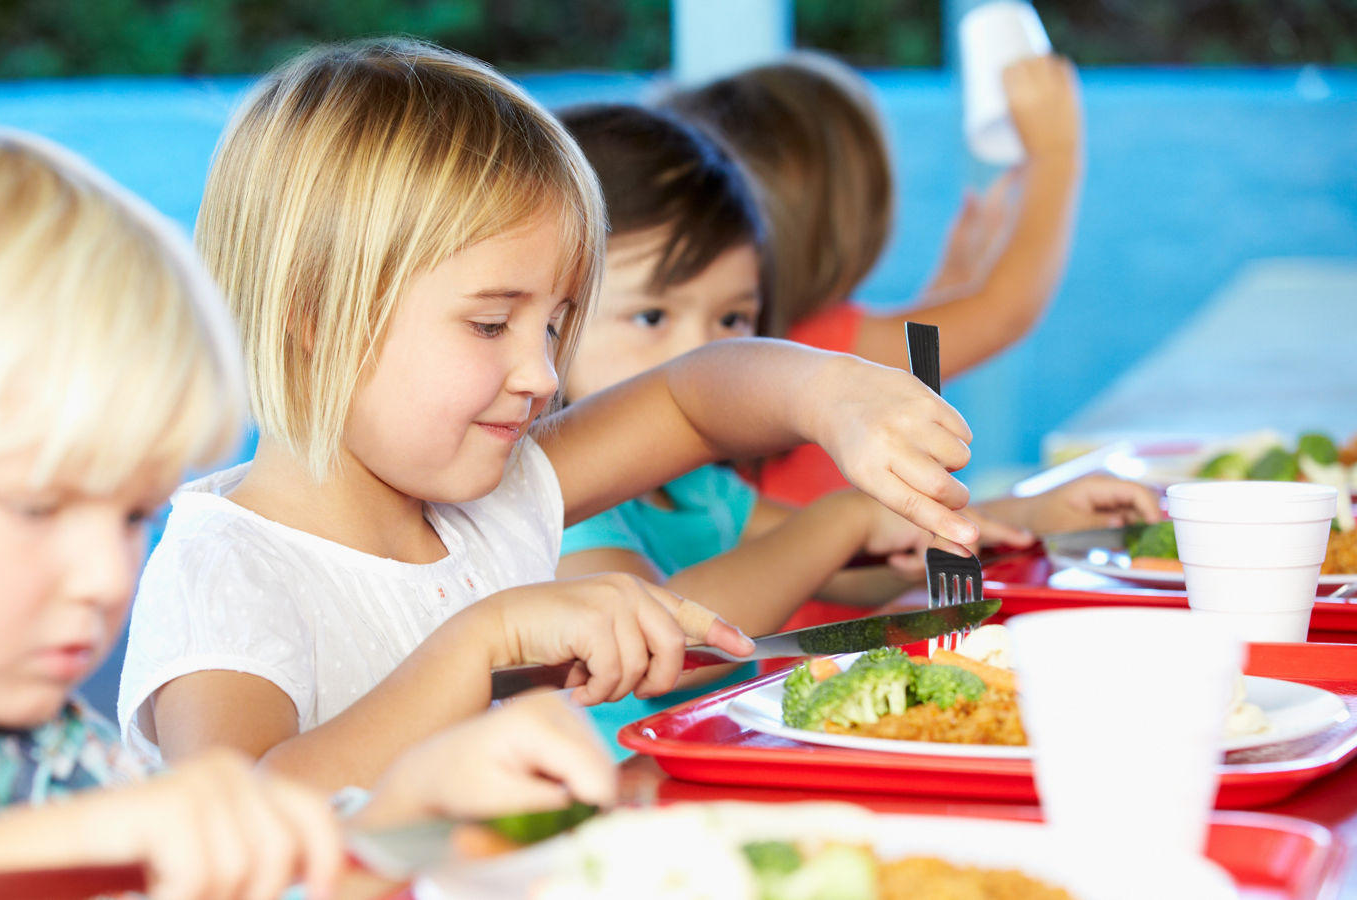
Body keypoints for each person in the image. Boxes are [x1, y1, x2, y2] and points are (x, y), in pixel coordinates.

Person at [0, 108, 616, 900]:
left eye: (132, 517)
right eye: (36, 508)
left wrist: (400, 819)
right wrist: (43, 855)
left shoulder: (55, 747)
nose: (106, 578)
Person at [119, 38, 980, 794]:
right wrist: (483, 642)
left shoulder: (495, 500)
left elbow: (694, 400)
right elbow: (242, 812)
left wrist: (833, 396)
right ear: (312, 315)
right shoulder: (225, 570)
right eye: (491, 324)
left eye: (558, 324)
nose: (540, 372)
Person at [552, 103, 1159, 749]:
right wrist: (842, 518)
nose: (703, 351)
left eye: (732, 319)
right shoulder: (557, 506)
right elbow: (669, 649)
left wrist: (1026, 518)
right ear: (550, 316)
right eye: (652, 317)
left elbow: (846, 567)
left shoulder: (697, 489)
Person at [662, 50, 1084, 505]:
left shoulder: (755, 344)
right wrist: (1055, 155)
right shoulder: (811, 348)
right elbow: (1004, 312)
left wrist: (954, 282)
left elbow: (912, 361)